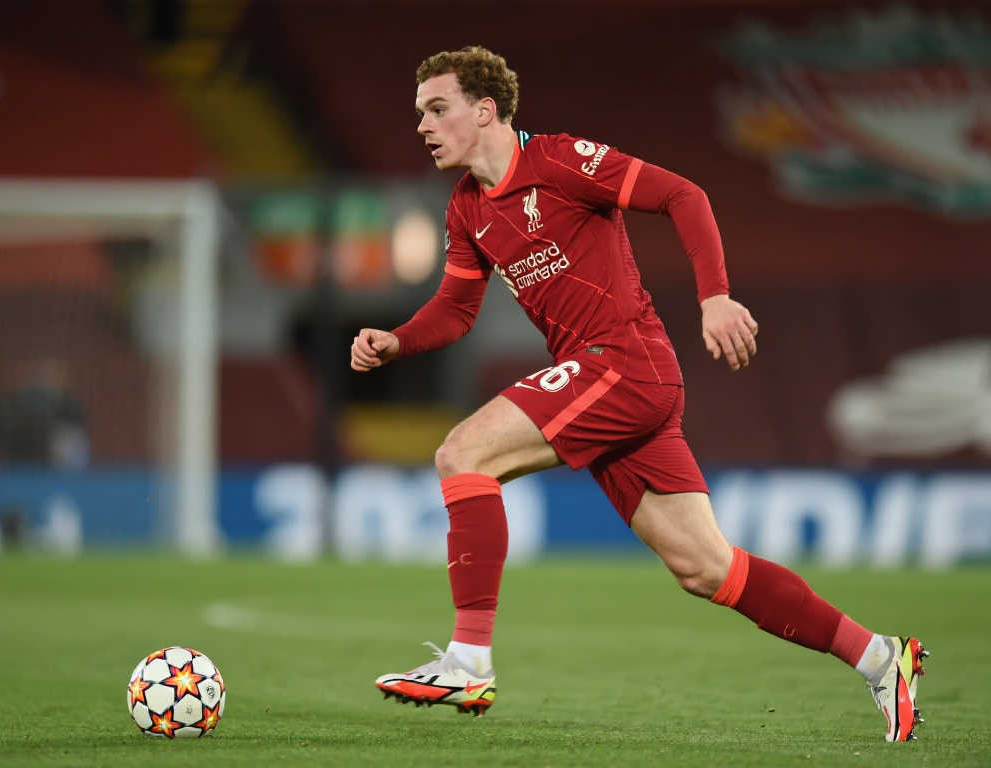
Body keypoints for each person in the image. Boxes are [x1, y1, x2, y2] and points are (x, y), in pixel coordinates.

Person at [350, 46, 926, 741]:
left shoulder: (560, 160)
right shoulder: (467, 209)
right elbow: (455, 310)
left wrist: (715, 297)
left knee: (463, 453)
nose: (423, 125)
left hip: (622, 361)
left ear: (484, 110)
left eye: (437, 108)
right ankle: (880, 657)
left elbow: (685, 195)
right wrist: (398, 340)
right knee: (706, 569)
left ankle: (468, 661)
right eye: (420, 113)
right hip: (610, 382)